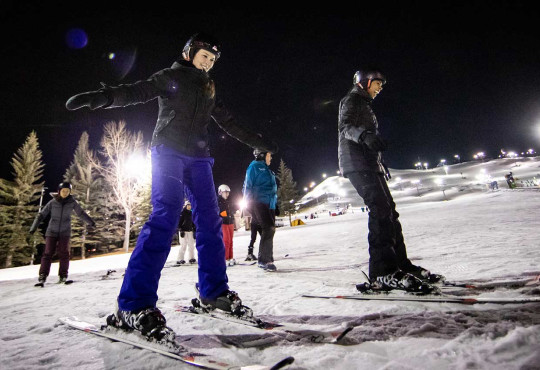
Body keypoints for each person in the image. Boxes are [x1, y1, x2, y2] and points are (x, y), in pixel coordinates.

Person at [65, 32, 277, 339]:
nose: (209, 63)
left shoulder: (209, 88)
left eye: (213, 60)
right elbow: (138, 91)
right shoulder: (171, 76)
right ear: (190, 53)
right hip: (167, 151)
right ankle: (133, 305)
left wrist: (258, 142)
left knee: (210, 221)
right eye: (205, 56)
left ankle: (213, 292)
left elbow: (229, 122)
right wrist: (105, 97)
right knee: (165, 215)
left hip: (200, 158)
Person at [338, 69, 439, 293]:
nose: (380, 88)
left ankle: (401, 266)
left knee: (390, 213)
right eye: (377, 83)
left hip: (370, 165)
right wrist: (364, 136)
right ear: (365, 83)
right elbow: (345, 128)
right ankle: (382, 273)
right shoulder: (352, 100)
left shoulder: (364, 104)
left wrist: (378, 160)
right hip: (356, 164)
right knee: (380, 211)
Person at [29, 182, 95, 284]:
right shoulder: (52, 202)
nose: (65, 193)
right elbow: (41, 215)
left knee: (64, 254)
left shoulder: (72, 202)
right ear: (59, 191)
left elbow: (81, 213)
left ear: (70, 192)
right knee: (47, 254)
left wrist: (91, 222)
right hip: (51, 231)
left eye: (67, 191)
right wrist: (33, 228)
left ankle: (63, 275)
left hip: (65, 232)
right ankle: (43, 275)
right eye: (63, 191)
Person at [243, 149, 278, 271]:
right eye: (269, 155)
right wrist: (249, 204)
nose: (271, 158)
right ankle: (264, 260)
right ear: (262, 155)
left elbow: (271, 188)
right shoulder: (254, 167)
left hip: (270, 204)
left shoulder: (267, 169)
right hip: (258, 202)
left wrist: (275, 204)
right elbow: (247, 186)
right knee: (268, 228)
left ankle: (267, 258)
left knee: (270, 230)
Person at [217, 184, 235, 266]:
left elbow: (231, 211)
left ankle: (230, 257)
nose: (227, 194)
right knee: (226, 241)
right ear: (220, 192)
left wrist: (232, 215)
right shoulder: (218, 201)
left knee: (230, 241)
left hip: (230, 222)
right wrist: (226, 215)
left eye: (228, 192)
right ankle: (225, 258)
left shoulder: (228, 201)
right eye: (225, 192)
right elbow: (221, 213)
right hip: (223, 223)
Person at [176, 200, 196, 265]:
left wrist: (194, 229)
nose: (189, 206)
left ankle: (191, 258)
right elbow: (179, 223)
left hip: (190, 231)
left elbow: (194, 223)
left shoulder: (192, 213)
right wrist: (181, 230)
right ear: (186, 205)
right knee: (183, 246)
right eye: (188, 205)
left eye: (190, 205)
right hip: (183, 232)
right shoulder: (182, 213)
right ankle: (180, 259)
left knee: (191, 245)